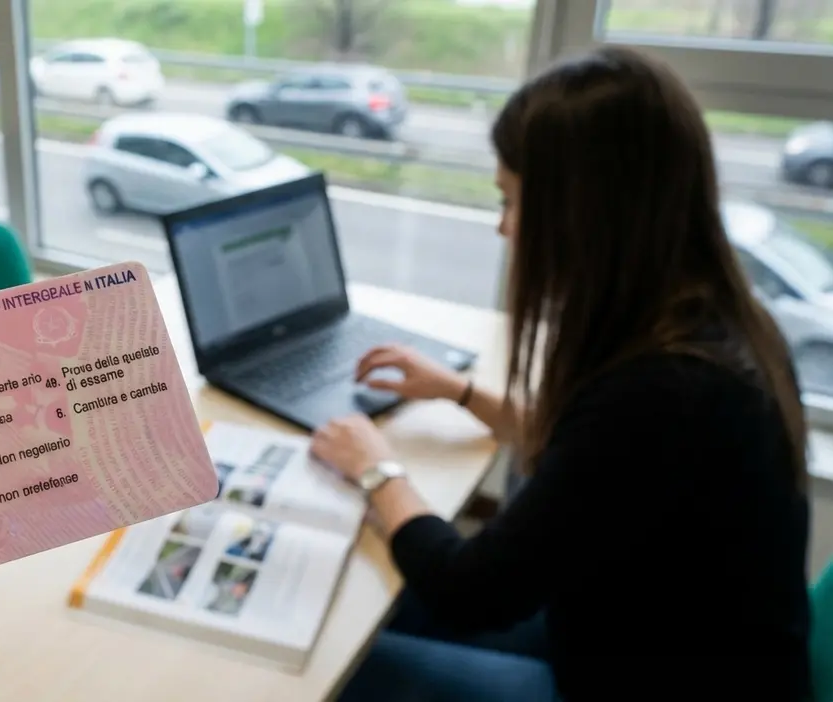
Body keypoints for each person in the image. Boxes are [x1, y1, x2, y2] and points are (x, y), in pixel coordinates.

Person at [311, 47, 812, 702]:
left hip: (632, 674)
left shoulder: (663, 390)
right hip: (638, 638)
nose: (503, 228)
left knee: (329, 668)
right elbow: (599, 463)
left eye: (511, 201)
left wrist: (377, 470)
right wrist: (459, 392)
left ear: (582, 214)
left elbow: (472, 591)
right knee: (363, 602)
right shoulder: (711, 320)